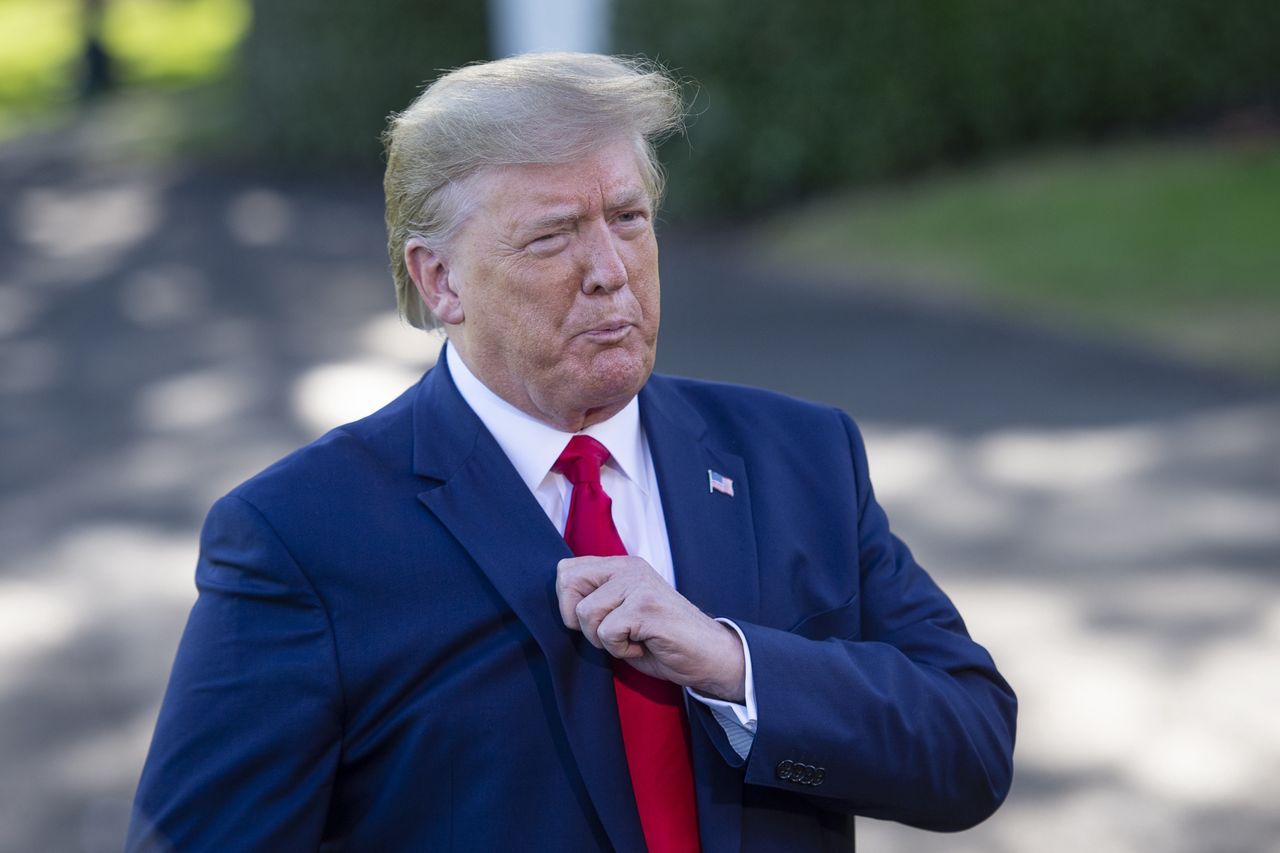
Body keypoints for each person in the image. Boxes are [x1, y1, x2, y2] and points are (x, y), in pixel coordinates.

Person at [127, 53, 1015, 852]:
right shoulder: (299, 537)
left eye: (628, 216)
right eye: (552, 234)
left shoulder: (800, 456)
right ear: (440, 280)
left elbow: (970, 747)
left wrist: (733, 662)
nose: (609, 268)